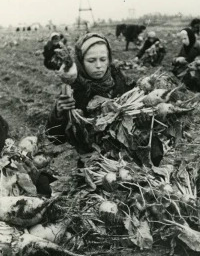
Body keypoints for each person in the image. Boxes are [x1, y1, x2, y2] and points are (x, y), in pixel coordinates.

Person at [46, 33, 164, 166]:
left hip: (128, 153)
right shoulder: (73, 91)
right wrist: (58, 113)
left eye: (103, 59)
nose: (98, 65)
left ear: (109, 58)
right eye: (91, 60)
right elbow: (55, 138)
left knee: (153, 152)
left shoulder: (121, 81)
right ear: (80, 61)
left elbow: (134, 122)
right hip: (96, 159)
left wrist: (144, 121)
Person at [172, 28, 200, 92]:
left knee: (196, 74)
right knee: (176, 72)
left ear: (190, 37)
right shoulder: (184, 47)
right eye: (182, 39)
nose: (183, 41)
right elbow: (178, 57)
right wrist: (177, 60)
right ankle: (188, 85)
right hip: (189, 69)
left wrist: (196, 64)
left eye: (185, 39)